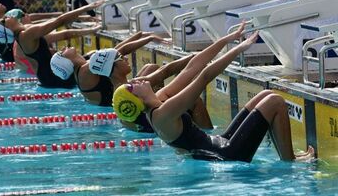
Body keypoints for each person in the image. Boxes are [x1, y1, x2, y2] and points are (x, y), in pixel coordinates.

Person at [112, 22, 315, 162]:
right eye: (133, 86)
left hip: (220, 143)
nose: (137, 80)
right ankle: (291, 162)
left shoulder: (158, 102)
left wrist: (228, 39)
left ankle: (288, 156)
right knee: (275, 102)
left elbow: (193, 67)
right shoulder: (163, 115)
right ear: (136, 99)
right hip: (227, 154)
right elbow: (204, 77)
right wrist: (239, 49)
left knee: (263, 96)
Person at [50, 31, 213, 132]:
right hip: (154, 129)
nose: (126, 58)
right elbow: (167, 70)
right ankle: (208, 133)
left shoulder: (118, 92)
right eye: (121, 59)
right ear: (113, 68)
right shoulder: (130, 87)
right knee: (193, 101)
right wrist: (202, 55)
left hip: (141, 128)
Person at [0, 0, 105, 88]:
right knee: (98, 65)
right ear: (6, 29)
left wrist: (86, 20)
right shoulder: (26, 35)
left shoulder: (23, 34)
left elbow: (52, 21)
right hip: (53, 78)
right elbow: (59, 21)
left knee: (93, 56)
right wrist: (87, 7)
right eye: (4, 20)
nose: (7, 17)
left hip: (47, 77)